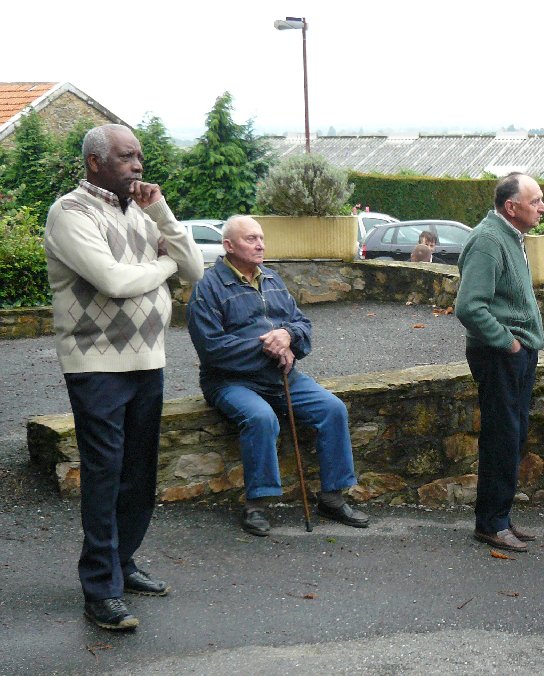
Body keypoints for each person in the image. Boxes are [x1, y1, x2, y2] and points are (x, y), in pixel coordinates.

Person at [43, 124, 205, 631]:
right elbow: (112, 281)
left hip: (147, 361)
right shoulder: (71, 213)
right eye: (125, 156)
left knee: (139, 472)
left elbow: (195, 268)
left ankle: (122, 562)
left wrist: (163, 214)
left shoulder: (141, 211)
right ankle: (100, 590)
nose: (137, 165)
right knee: (105, 473)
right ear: (95, 162)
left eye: (139, 157)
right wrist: (163, 267)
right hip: (95, 366)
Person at [186, 215, 368, 538]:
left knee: (332, 409)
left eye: (261, 238)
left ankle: (332, 497)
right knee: (261, 418)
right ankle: (257, 504)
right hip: (230, 382)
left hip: (282, 377)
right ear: (228, 246)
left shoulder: (273, 280)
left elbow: (303, 326)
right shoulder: (207, 289)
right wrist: (268, 349)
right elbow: (212, 349)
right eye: (251, 239)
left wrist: (287, 336)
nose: (260, 245)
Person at [456, 172, 544, 553]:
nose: (543, 207)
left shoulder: (509, 236)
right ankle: (491, 524)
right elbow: (468, 306)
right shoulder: (489, 240)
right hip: (499, 355)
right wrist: (508, 343)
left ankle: (501, 518)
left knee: (513, 435)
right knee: (501, 438)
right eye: (535, 200)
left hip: (514, 354)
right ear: (511, 207)